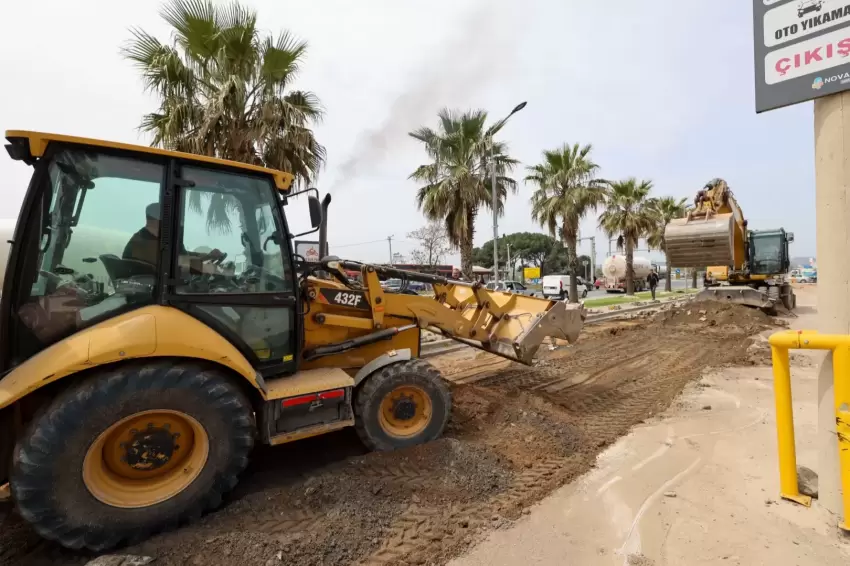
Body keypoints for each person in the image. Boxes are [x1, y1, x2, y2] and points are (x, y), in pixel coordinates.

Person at [124, 203, 225, 270]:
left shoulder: (154, 239)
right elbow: (179, 261)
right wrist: (208, 262)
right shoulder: (142, 243)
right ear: (158, 220)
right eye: (170, 218)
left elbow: (181, 255)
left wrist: (209, 255)